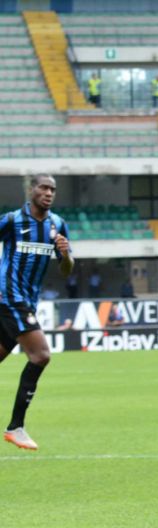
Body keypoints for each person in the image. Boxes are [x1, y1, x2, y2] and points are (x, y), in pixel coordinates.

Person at [1, 174, 74, 450]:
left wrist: (65, 255)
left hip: (28, 302)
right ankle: (15, 427)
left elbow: (67, 269)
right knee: (41, 355)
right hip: (10, 298)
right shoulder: (11, 220)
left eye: (53, 189)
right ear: (30, 190)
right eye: (43, 187)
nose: (48, 193)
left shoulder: (57, 225)